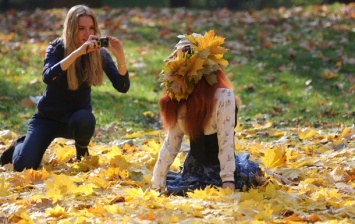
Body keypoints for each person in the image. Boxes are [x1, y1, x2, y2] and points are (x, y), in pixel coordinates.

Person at [0, 5, 130, 171]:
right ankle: (20, 143)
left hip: (74, 121)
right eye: (81, 28)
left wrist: (120, 57)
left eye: (91, 28)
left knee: (85, 118)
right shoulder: (57, 47)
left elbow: (123, 86)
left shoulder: (99, 53)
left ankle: (81, 152)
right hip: (47, 119)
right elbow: (47, 76)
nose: (87, 34)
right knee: (24, 166)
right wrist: (77, 53)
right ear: (71, 29)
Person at [151, 30, 264, 195]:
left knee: (247, 175)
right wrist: (157, 182)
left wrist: (228, 180)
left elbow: (225, 140)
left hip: (222, 171)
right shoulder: (179, 100)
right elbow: (171, 145)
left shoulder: (223, 98)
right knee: (186, 189)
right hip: (194, 172)